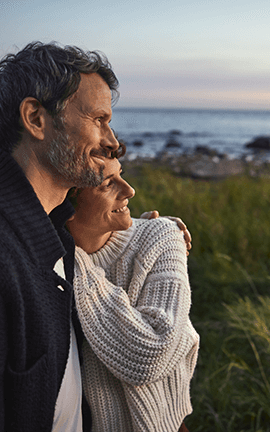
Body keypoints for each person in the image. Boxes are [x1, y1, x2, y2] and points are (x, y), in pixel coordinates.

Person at [0, 41, 190, 431]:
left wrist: (157, 233)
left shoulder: (51, 228)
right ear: (36, 118)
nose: (111, 140)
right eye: (99, 119)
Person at [67, 156, 199, 432]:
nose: (129, 190)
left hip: (165, 425)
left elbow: (151, 354)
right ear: (65, 203)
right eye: (107, 183)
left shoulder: (162, 235)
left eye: (122, 175)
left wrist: (74, 260)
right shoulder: (45, 260)